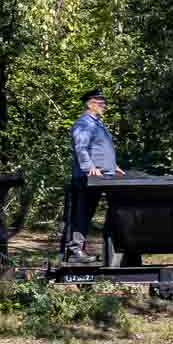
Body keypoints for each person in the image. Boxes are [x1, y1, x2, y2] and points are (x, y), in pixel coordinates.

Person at [62, 90, 122, 261]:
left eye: (104, 102)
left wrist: (113, 166)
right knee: (82, 213)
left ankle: (82, 250)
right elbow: (81, 148)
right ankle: (75, 251)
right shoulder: (83, 124)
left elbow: (100, 148)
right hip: (88, 178)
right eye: (100, 102)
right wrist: (89, 167)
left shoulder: (96, 124)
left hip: (100, 176)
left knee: (89, 213)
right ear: (90, 104)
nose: (104, 105)